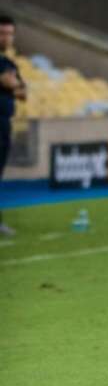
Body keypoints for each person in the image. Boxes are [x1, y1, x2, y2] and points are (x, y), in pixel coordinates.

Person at [0, 15, 26, 236]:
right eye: (2, 33)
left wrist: (11, 84)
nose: (7, 38)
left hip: (4, 123)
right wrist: (10, 85)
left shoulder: (9, 64)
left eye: (9, 33)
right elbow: (10, 85)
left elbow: (22, 92)